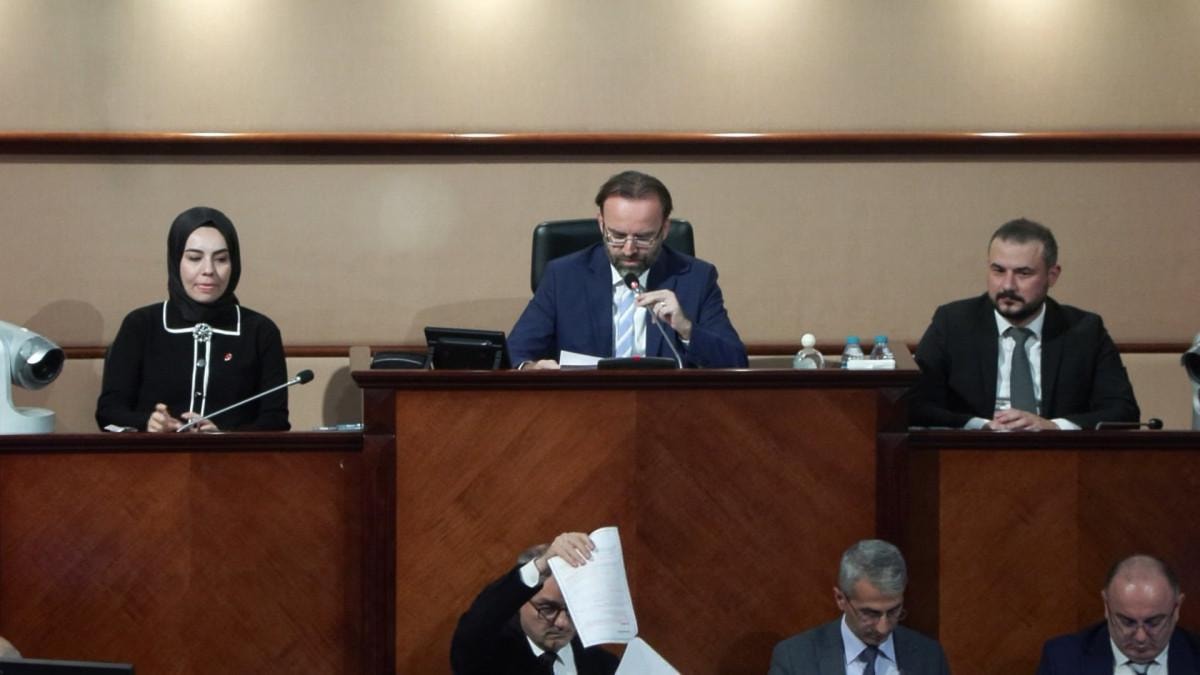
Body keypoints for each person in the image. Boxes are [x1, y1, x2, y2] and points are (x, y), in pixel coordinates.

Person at [910, 218, 1139, 431]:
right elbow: (914, 404)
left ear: (1052, 275)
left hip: (1059, 455)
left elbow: (1123, 411)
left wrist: (1054, 427)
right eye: (998, 271)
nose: (1007, 285)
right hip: (972, 453)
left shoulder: (1084, 330)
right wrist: (981, 426)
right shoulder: (953, 323)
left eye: (1023, 273)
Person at [508, 170, 748, 369]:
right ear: (601, 224)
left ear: (664, 229)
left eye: (643, 238)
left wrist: (686, 329)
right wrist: (531, 368)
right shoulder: (563, 277)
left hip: (668, 407)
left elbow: (736, 362)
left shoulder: (696, 278)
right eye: (618, 236)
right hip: (584, 407)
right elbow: (515, 353)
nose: (629, 249)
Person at [95, 206, 290, 432]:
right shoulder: (141, 325)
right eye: (195, 258)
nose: (208, 270)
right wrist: (148, 423)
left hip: (233, 454)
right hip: (152, 453)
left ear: (234, 264)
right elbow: (108, 412)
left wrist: (224, 435)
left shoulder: (260, 331)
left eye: (221, 259)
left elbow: (275, 421)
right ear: (176, 260)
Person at [769, 539, 950, 675]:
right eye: (870, 613)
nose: (883, 627)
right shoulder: (795, 659)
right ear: (840, 599)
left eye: (894, 611)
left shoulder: (929, 657)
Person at [450, 532, 619, 675]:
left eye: (573, 608)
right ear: (520, 603)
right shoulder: (488, 655)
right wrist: (538, 568)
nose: (562, 623)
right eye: (548, 609)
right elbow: (475, 627)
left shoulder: (606, 665)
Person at [1036, 554, 1200, 674]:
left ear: (1176, 608)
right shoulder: (1063, 660)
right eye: (1127, 622)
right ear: (1106, 606)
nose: (1140, 637)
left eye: (1153, 622)